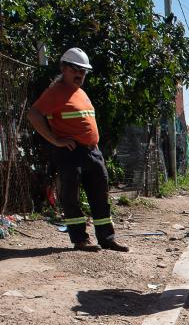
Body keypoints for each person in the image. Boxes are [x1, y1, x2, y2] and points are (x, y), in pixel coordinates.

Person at [27, 47, 128, 252]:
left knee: (100, 196)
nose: (80, 74)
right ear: (64, 68)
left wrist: (94, 143)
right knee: (71, 198)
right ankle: (80, 240)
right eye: (75, 69)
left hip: (92, 152)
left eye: (83, 70)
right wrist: (55, 141)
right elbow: (34, 115)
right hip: (71, 154)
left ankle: (107, 238)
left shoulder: (80, 92)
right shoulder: (56, 91)